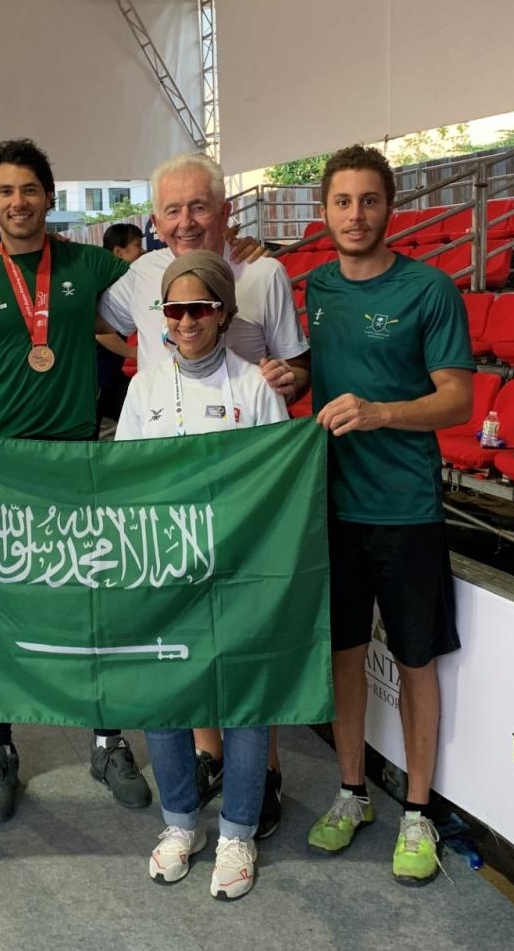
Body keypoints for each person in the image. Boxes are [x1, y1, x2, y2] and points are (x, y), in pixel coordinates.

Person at [0, 138, 153, 823]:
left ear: (48, 196)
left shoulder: (91, 267)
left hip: (77, 463)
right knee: (1, 611)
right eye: (5, 191)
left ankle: (107, 740)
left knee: (91, 608)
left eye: (30, 189)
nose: (18, 202)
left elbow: (169, 301)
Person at [98, 151, 311, 836]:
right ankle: (206, 763)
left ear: (224, 212)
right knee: (182, 650)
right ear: (155, 221)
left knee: (247, 651)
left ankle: (263, 778)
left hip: (242, 499)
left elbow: (299, 370)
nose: (185, 221)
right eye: (172, 210)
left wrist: (284, 379)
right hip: (168, 505)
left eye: (199, 207)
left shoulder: (266, 272)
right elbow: (92, 324)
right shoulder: (135, 279)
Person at [305, 145, 474, 885]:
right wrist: (295, 371)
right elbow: (325, 365)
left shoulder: (430, 289)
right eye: (342, 202)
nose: (355, 215)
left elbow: (458, 399)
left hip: (405, 510)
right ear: (324, 212)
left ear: (390, 206)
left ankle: (416, 811)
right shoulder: (311, 288)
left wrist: (381, 413)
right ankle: (351, 793)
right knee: (343, 656)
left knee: (414, 662)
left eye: (368, 200)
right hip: (330, 508)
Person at [116, 250, 288, 901]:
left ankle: (239, 830)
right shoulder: (144, 388)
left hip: (238, 569)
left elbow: (279, 485)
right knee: (167, 700)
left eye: (200, 308)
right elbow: (126, 483)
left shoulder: (254, 385)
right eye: (174, 309)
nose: (187, 321)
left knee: (243, 705)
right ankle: (181, 823)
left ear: (223, 313)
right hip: (165, 567)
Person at [96, 223, 144, 431]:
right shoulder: (108, 282)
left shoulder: (117, 278)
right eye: (137, 246)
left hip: (111, 375)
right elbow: (101, 333)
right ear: (118, 251)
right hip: (101, 379)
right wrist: (137, 353)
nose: (143, 251)